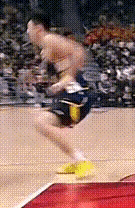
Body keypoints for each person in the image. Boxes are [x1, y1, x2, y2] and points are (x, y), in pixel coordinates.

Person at [26, 13, 95, 178]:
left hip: (76, 93)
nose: (27, 32)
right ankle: (78, 160)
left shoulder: (49, 39)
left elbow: (78, 51)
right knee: (46, 123)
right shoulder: (46, 46)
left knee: (42, 122)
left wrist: (68, 78)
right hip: (71, 93)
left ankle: (82, 161)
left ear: (38, 29)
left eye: (29, 28)